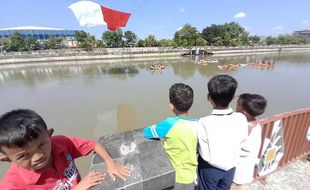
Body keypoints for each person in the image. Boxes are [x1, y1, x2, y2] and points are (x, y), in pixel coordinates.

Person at [0, 109, 130, 190]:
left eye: (42, 145)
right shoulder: (12, 186)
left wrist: (110, 163)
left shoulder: (61, 143)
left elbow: (92, 145)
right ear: (8, 159)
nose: (38, 156)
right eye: (24, 156)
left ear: (49, 135)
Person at [197, 75, 248, 190]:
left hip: (209, 168)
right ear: (233, 97)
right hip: (231, 167)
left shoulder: (204, 121)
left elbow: (202, 148)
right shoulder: (241, 118)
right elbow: (243, 141)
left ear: (209, 97)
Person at [143, 83, 198, 190]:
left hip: (174, 175)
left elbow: (146, 132)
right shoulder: (198, 124)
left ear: (171, 106)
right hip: (191, 175)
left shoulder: (169, 124)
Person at [231, 93, 267, 190]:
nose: (236, 106)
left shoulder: (245, 128)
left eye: (238, 104)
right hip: (247, 169)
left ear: (245, 112)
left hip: (237, 172)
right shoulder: (256, 122)